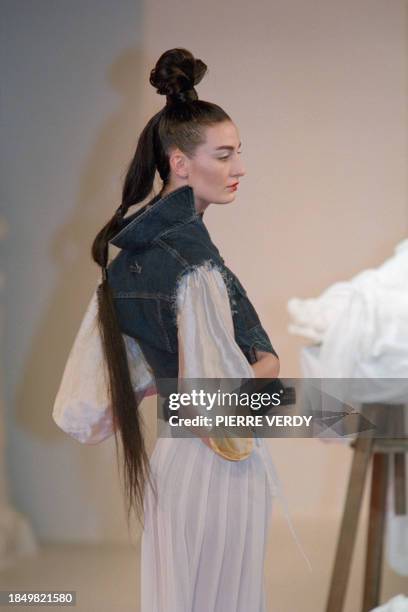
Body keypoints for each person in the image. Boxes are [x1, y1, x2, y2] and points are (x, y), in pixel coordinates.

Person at [81, 47, 307, 611]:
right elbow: (219, 403)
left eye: (239, 153)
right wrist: (269, 374)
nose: (240, 168)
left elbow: (89, 402)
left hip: (174, 464)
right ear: (180, 163)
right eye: (224, 155)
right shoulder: (195, 264)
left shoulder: (125, 259)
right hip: (219, 464)